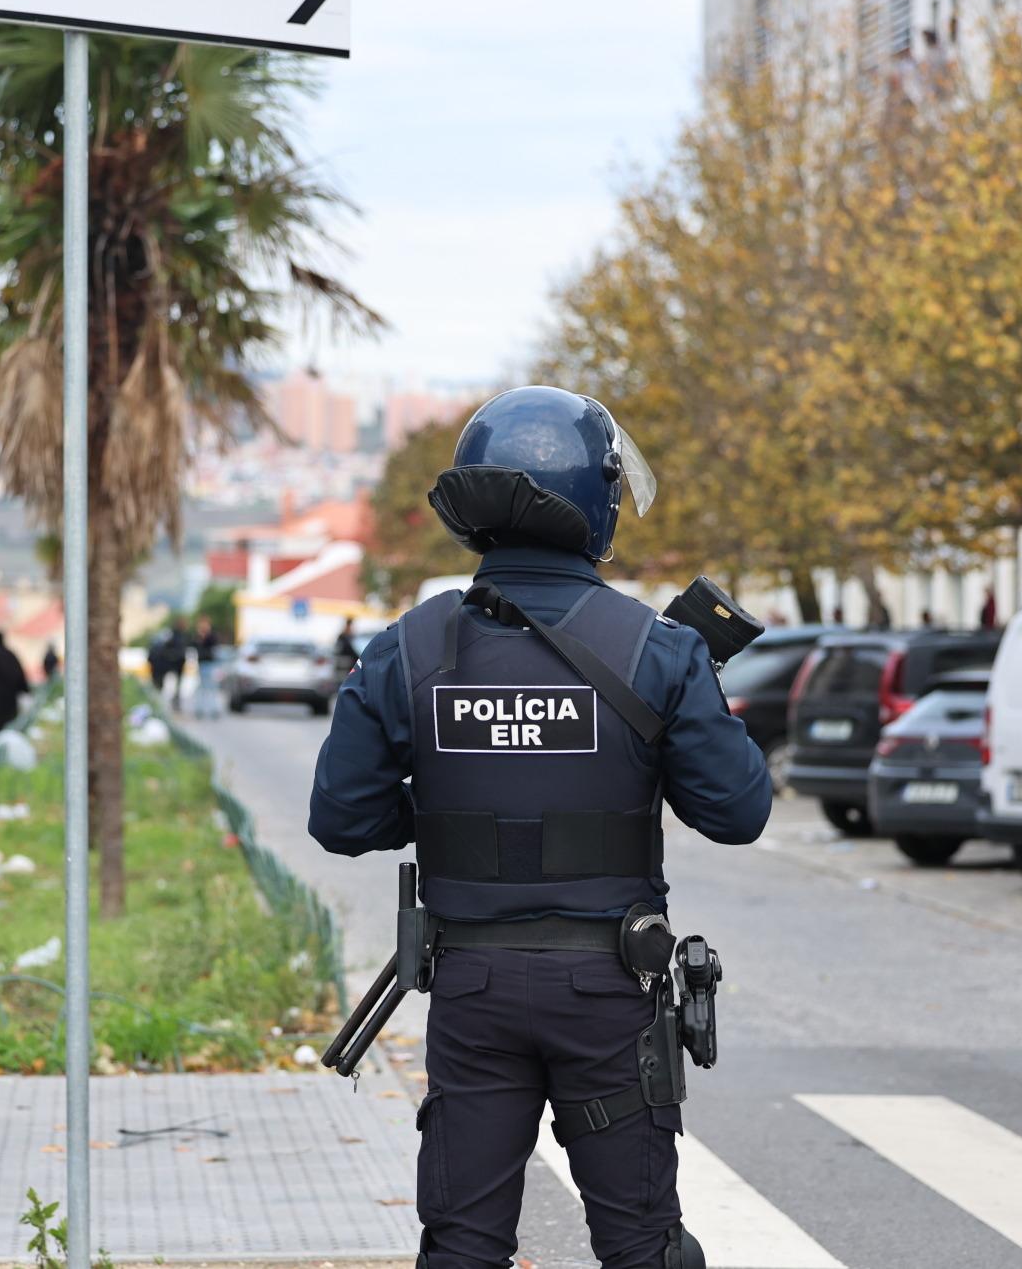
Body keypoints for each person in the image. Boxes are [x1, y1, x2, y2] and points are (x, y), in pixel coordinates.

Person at [310, 385, 771, 1269]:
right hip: (608, 991)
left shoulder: (408, 644)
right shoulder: (657, 648)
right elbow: (738, 811)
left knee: (463, 1246)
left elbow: (341, 817)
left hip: (472, 993)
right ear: (596, 501)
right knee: (644, 1247)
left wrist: (445, 805)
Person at [0, 630, 32, 732]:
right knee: (9, 718)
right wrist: (24, 688)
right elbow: (18, 673)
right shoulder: (10, 655)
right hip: (10, 693)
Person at [192, 620, 225, 719]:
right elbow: (194, 645)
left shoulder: (212, 637)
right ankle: (200, 710)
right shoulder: (198, 637)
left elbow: (214, 649)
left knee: (213, 689)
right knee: (202, 689)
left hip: (211, 665)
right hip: (202, 665)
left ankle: (214, 710)